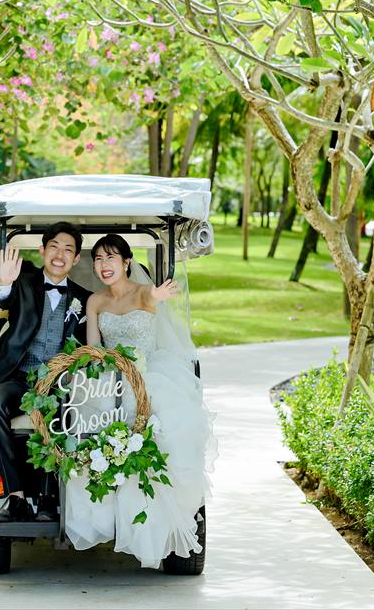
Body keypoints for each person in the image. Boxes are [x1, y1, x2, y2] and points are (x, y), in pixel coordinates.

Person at [63, 234, 216, 568]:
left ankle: (152, 517)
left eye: (111, 258)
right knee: (88, 422)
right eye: (98, 259)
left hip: (147, 375)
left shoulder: (145, 293)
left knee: (160, 428)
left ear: (126, 262)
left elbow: (155, 297)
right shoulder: (95, 302)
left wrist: (160, 294)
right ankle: (104, 508)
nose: (103, 265)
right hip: (109, 378)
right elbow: (95, 350)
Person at [0, 222, 92, 522]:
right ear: (42, 250)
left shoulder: (85, 298)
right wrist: (5, 283)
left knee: (58, 411)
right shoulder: (23, 282)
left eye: (68, 250)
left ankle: (49, 500)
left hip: (59, 384)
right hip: (19, 377)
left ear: (76, 258)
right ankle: (17, 497)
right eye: (54, 247)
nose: (60, 255)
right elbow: (3, 299)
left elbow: (88, 346)